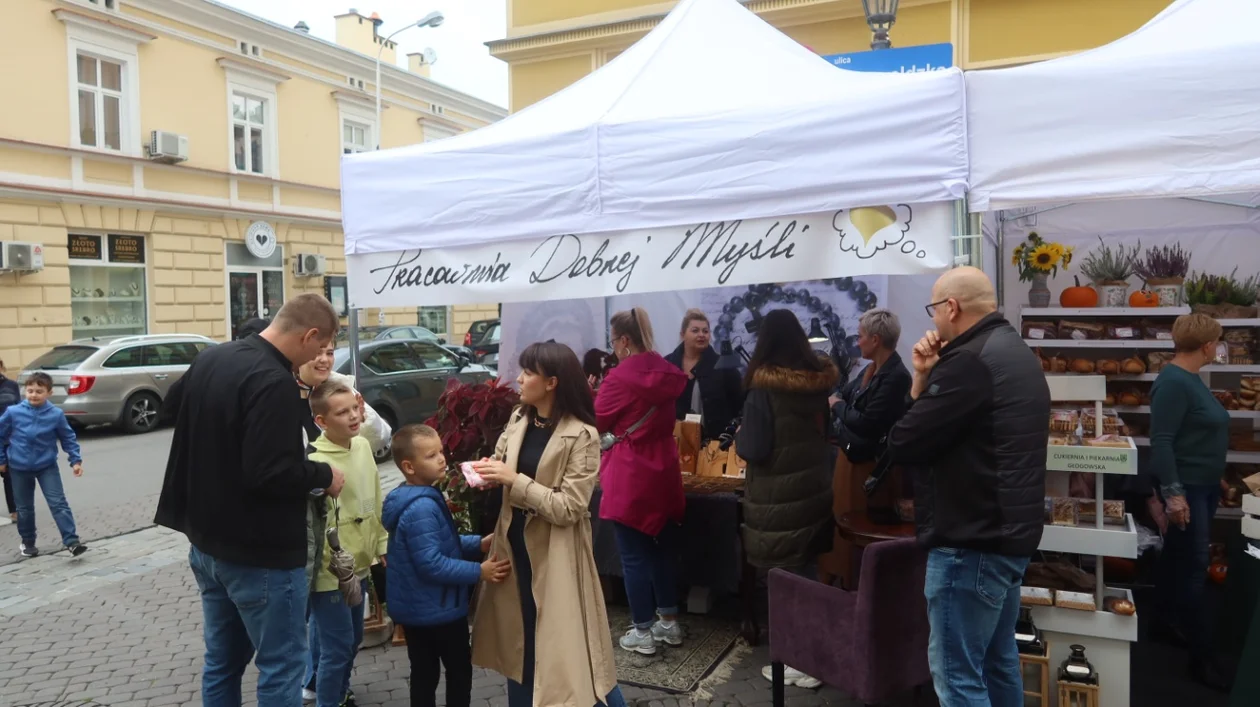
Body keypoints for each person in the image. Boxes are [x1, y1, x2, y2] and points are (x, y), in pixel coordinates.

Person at [155, 293, 347, 706]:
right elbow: (272, 474)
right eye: (322, 347)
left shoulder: (214, 357)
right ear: (309, 335)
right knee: (281, 668)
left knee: (222, 663)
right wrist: (325, 474)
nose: (319, 357)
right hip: (261, 556)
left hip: (207, 544)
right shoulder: (274, 381)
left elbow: (173, 407)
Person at [886, 267, 1050, 707]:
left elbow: (904, 440)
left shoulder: (969, 362)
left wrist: (919, 381)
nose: (934, 322)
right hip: (1006, 534)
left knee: (959, 678)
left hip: (971, 540)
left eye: (935, 310)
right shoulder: (1014, 350)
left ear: (951, 308)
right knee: (997, 663)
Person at [471, 341, 627, 707]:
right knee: (518, 643)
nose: (519, 379)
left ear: (552, 382)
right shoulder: (519, 417)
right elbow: (502, 461)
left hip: (557, 556)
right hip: (513, 548)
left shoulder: (583, 435)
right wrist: (487, 472)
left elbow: (570, 508)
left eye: (528, 373)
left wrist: (514, 480)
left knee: (570, 653)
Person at [735, 309, 837, 690]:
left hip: (779, 496)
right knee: (807, 573)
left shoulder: (763, 388)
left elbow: (756, 448)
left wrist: (743, 434)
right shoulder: (818, 383)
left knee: (785, 581)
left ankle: (801, 660)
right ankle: (812, 658)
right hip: (813, 488)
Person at [384, 424, 511, 707]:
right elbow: (432, 563)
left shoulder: (415, 497)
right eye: (431, 456)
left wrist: (477, 544)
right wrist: (480, 572)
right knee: (458, 669)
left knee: (424, 672)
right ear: (409, 466)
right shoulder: (422, 507)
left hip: (418, 609)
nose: (442, 458)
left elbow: (440, 543)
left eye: (441, 451)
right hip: (438, 610)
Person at [595, 308, 689, 654]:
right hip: (664, 469)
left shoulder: (618, 379)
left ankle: (643, 631)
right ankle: (669, 624)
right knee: (662, 551)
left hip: (630, 471)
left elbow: (597, 420)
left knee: (633, 556)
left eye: (613, 340)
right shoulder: (669, 372)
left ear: (623, 340)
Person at [1148, 313, 1230, 691]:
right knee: (1196, 567)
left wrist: (1218, 475)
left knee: (1177, 558)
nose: (1220, 346)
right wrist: (1174, 494)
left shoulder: (1190, 380)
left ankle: (1162, 621)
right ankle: (1203, 657)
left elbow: (1194, 436)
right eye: (1218, 341)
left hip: (1203, 483)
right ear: (1208, 345)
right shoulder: (1174, 383)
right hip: (1189, 490)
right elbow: (1163, 441)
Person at [305, 380, 389, 707]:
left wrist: (381, 543)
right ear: (321, 421)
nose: (354, 416)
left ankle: (340, 693)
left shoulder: (363, 446)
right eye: (343, 413)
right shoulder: (314, 460)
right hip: (332, 572)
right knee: (336, 646)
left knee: (353, 639)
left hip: (362, 564)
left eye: (355, 408)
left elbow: (376, 497)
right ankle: (330, 699)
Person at [0, 372, 87, 558]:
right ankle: (28, 542)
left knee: (58, 503)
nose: (34, 394)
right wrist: (1, 460)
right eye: (30, 390)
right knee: (24, 508)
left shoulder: (55, 414)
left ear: (49, 392)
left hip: (46, 466)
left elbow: (68, 437)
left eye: (39, 391)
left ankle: (72, 541)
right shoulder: (14, 412)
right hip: (19, 467)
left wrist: (75, 460)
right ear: (25, 391)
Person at [829, 308, 912, 463]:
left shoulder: (897, 377)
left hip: (871, 464)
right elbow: (844, 393)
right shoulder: (870, 369)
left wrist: (837, 405)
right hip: (853, 455)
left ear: (875, 340)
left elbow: (866, 424)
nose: (858, 342)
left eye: (860, 337)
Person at [664, 309, 743, 441]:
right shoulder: (667, 365)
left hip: (716, 448)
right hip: (674, 443)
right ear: (683, 334)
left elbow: (740, 405)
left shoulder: (724, 366)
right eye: (695, 331)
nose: (701, 335)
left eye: (705, 331)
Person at [0, 357, 21, 523]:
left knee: (9, 475)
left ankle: (14, 510)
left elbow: (19, 409)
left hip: (9, 438)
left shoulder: (11, 386)